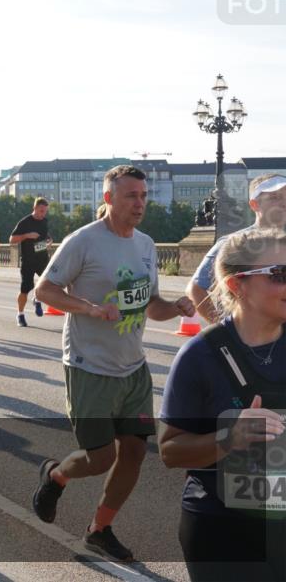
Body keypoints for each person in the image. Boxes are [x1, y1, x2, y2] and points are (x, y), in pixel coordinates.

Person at [31, 165, 196, 562]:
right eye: (130, 196)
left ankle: (99, 529)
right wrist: (88, 308)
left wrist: (173, 307)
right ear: (108, 199)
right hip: (90, 366)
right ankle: (56, 475)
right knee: (100, 457)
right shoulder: (83, 241)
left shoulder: (145, 244)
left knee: (135, 452)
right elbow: (45, 289)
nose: (140, 203)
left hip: (133, 368)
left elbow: (150, 304)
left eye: (143, 195)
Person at [159, 227, 286, 581]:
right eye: (281, 274)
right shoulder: (200, 355)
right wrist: (229, 439)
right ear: (237, 285)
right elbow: (170, 451)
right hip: (222, 529)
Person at [188, 174, 286, 324]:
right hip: (249, 340)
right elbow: (195, 290)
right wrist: (225, 332)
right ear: (254, 205)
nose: (283, 203)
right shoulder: (233, 244)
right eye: (274, 197)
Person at [10, 197, 53, 327]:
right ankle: (20, 314)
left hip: (42, 259)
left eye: (45, 211)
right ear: (34, 208)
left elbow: (44, 236)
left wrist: (48, 241)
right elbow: (12, 239)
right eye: (41, 211)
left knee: (49, 283)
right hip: (28, 261)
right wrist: (26, 235)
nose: (43, 214)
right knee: (25, 289)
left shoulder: (44, 221)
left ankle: (37, 298)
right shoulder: (25, 222)